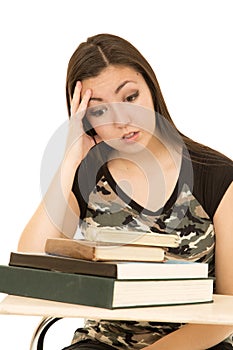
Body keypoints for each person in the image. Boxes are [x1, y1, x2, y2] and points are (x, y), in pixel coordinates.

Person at [18, 33, 233, 350]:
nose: (122, 120)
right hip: (103, 342)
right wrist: (69, 160)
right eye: (100, 110)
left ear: (151, 90)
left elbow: (229, 310)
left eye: (130, 98)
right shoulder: (88, 175)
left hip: (197, 343)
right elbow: (28, 267)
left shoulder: (217, 176)